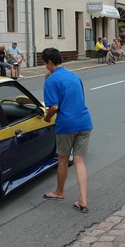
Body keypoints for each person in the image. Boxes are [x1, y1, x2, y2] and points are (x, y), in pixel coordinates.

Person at [41, 47, 93, 213]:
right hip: (85, 122)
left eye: (45, 64)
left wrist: (47, 118)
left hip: (66, 125)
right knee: (79, 160)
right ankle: (83, 199)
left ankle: (59, 192)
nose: (46, 67)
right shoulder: (74, 75)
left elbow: (54, 106)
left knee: (63, 160)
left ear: (50, 62)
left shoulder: (51, 80)